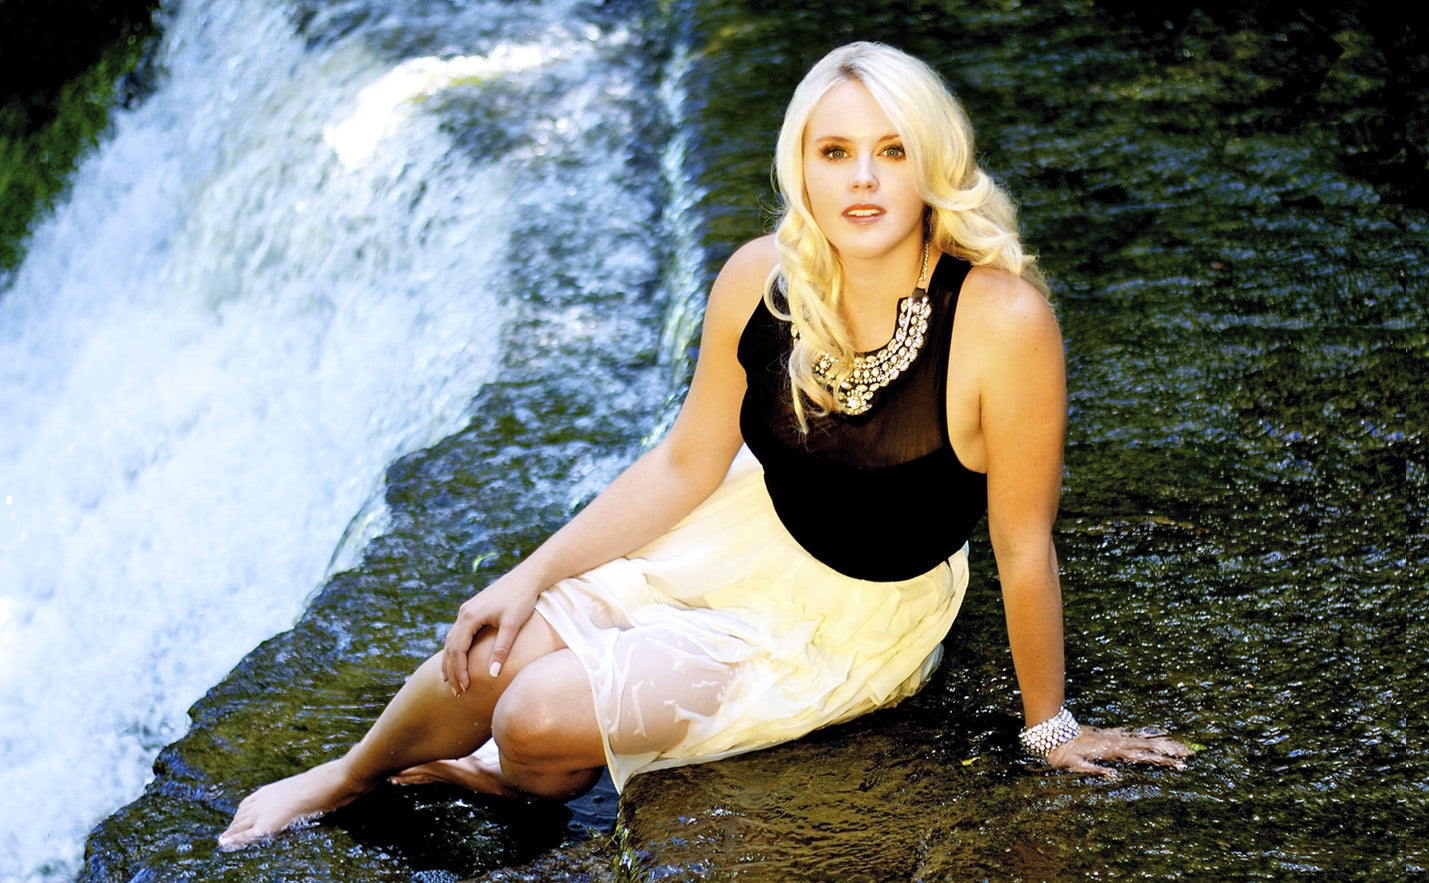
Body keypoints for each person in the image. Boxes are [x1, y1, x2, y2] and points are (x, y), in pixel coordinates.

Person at [219, 41, 1190, 851]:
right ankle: (344, 775)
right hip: (734, 532)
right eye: (835, 151)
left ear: (932, 164)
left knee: (530, 718)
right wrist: (522, 578)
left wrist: (1050, 726)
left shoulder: (1000, 318)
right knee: (496, 646)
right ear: (800, 164)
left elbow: (1023, 541)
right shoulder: (758, 279)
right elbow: (684, 463)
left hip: (853, 613)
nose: (861, 178)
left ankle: (503, 778)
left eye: (891, 152)